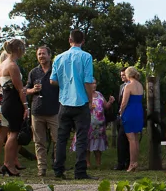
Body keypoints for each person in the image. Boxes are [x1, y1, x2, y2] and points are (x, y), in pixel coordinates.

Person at [50, 29, 96, 180]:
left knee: (62, 137)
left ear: (69, 40)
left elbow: (52, 80)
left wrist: (65, 84)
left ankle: (58, 169)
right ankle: (80, 171)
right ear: (83, 41)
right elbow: (88, 81)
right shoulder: (86, 57)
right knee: (82, 137)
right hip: (81, 101)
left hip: (64, 101)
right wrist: (90, 100)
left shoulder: (59, 58)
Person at [26, 46, 60, 176]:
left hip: (54, 110)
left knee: (58, 140)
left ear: (49, 55)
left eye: (43, 54)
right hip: (37, 111)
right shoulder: (33, 72)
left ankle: (57, 166)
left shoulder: (56, 70)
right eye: (39, 54)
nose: (41, 56)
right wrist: (33, 90)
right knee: (39, 142)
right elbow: (26, 90)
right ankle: (42, 168)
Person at [0, 39, 28, 176]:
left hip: (6, 100)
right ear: (19, 49)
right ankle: (8, 164)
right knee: (14, 134)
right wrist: (26, 106)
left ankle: (8, 163)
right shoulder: (12, 65)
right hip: (13, 101)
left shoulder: (3, 64)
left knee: (12, 132)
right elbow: (20, 89)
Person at [72, 81, 114, 167]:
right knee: (86, 143)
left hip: (99, 126)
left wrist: (110, 102)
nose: (94, 85)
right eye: (92, 83)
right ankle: (87, 163)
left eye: (95, 83)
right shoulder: (83, 94)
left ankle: (98, 163)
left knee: (98, 144)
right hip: (87, 123)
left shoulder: (99, 94)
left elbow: (106, 106)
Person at [120, 66, 145, 172]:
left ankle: (131, 163)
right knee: (135, 138)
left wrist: (121, 111)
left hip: (130, 112)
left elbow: (124, 102)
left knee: (131, 140)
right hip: (139, 111)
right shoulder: (140, 86)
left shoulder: (128, 86)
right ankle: (135, 162)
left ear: (128, 74)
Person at [114, 68, 131, 170]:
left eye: (124, 75)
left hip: (127, 114)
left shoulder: (132, 85)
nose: (122, 77)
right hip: (120, 116)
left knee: (128, 139)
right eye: (121, 75)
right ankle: (121, 161)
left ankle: (127, 162)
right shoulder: (121, 86)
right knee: (120, 140)